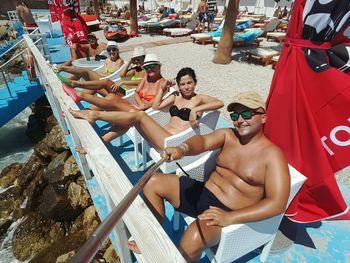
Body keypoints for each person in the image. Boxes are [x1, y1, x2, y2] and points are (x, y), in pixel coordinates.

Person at [126, 91, 291, 262]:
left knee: (192, 238)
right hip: (203, 192)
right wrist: (182, 148)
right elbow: (203, 141)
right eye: (235, 115)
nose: (240, 120)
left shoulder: (273, 156)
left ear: (263, 117)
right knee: (152, 182)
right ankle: (150, 240)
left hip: (226, 211)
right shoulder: (228, 135)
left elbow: (277, 204)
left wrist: (230, 217)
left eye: (247, 114)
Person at [68, 67, 224, 145]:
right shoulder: (176, 96)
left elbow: (220, 103)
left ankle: (94, 114)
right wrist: (162, 90)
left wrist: (196, 109)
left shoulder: (200, 98)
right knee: (122, 111)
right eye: (182, 84)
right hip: (160, 134)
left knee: (138, 116)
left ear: (195, 82)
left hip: (173, 142)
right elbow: (156, 106)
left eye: (189, 83)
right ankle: (100, 141)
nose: (186, 87)